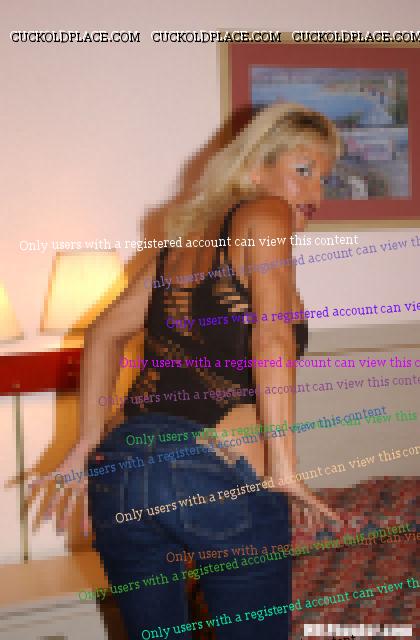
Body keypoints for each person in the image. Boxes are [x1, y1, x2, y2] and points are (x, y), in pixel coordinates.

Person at [25, 103, 344, 639]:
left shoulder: (179, 247)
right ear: (254, 168)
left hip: (122, 472)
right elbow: (272, 336)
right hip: (215, 471)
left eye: (325, 178)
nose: (315, 192)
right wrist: (285, 467)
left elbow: (103, 334)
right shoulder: (266, 213)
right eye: (303, 169)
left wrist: (85, 443)